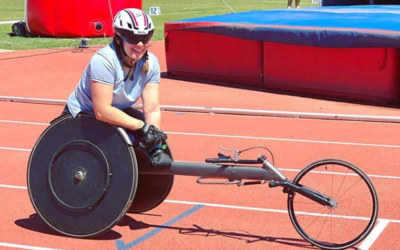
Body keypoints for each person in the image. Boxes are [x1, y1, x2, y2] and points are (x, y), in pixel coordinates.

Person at [65, 8, 171, 167]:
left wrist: (156, 145)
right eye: (134, 38)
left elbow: (152, 109)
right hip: (84, 115)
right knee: (129, 141)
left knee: (143, 141)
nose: (140, 44)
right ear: (120, 38)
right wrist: (142, 127)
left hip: (116, 111)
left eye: (145, 37)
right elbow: (102, 111)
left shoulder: (151, 63)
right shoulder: (104, 60)